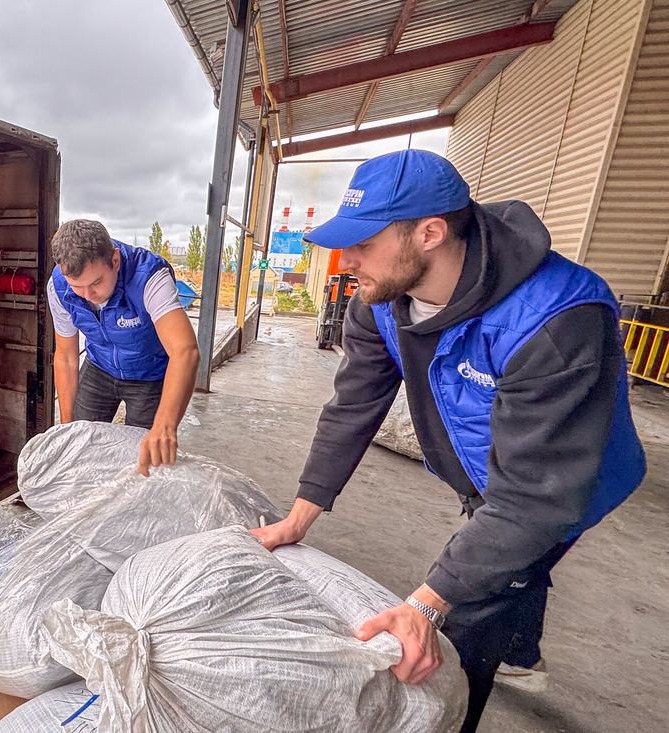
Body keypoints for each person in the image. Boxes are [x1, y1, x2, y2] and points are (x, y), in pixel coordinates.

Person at [250, 150, 646, 732]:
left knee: (466, 617)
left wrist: (425, 605)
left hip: (567, 479)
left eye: (363, 243)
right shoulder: (381, 297)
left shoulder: (557, 319)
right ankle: (523, 646)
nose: (346, 260)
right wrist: (298, 517)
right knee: (503, 555)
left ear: (430, 232)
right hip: (482, 465)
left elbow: (533, 499)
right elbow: (353, 407)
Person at [48, 219, 199, 476]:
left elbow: (185, 351)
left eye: (96, 282)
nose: (87, 295)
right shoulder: (59, 287)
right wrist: (68, 428)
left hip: (149, 376)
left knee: (143, 459)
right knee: (80, 445)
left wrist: (165, 427)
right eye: (77, 286)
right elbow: (65, 356)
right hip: (99, 369)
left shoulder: (150, 277)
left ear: (115, 260)